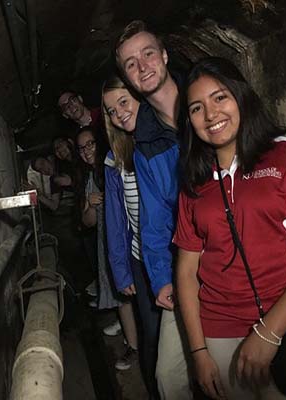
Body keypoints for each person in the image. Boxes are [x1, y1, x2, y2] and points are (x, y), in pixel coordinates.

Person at [174, 56, 286, 400]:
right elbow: (187, 272)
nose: (211, 114)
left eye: (220, 98)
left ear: (241, 96)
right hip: (218, 328)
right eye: (197, 108)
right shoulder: (194, 181)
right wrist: (198, 352)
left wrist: (267, 334)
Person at [115, 20, 191, 399]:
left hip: (238, 263)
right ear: (128, 80)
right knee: (169, 378)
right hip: (188, 268)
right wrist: (161, 277)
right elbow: (155, 218)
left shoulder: (206, 103)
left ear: (164, 55)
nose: (142, 66)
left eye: (148, 54)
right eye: (131, 63)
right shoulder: (144, 139)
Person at [102, 74, 161, 398]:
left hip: (175, 255)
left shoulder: (164, 142)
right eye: (111, 110)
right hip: (141, 260)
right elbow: (115, 219)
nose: (120, 113)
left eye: (124, 102)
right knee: (151, 335)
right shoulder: (115, 158)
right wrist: (122, 269)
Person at [76, 126, 139, 370]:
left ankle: (138, 342)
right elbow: (88, 222)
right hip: (110, 243)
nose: (86, 151)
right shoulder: (90, 177)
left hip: (130, 239)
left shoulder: (116, 164)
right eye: (82, 148)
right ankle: (133, 345)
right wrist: (88, 205)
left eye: (90, 144)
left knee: (135, 296)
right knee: (122, 296)